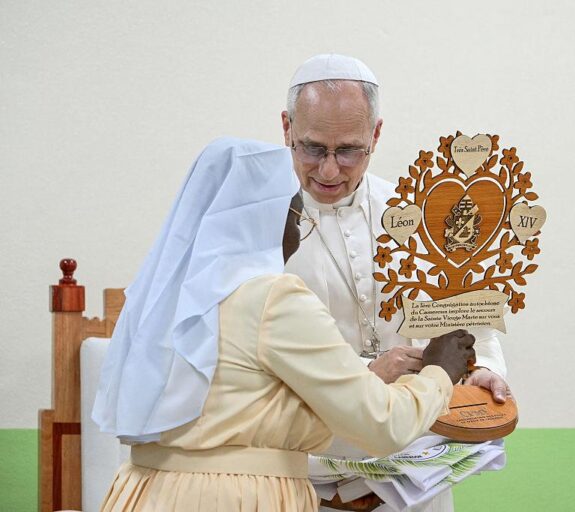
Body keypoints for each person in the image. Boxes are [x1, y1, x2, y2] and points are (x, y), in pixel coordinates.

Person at [91, 137, 475, 511]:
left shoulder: (164, 300)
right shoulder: (271, 296)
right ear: (269, 218)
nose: (300, 233)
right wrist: (440, 370)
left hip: (144, 492)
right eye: (299, 216)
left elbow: (249, 404)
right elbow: (384, 424)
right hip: (236, 498)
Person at [282, 54, 511, 512]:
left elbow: (471, 331)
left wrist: (479, 371)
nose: (329, 170)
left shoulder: (423, 217)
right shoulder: (253, 231)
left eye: (349, 150)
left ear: (376, 134)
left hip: (414, 482)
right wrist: (363, 375)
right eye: (313, 148)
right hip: (304, 483)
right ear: (287, 128)